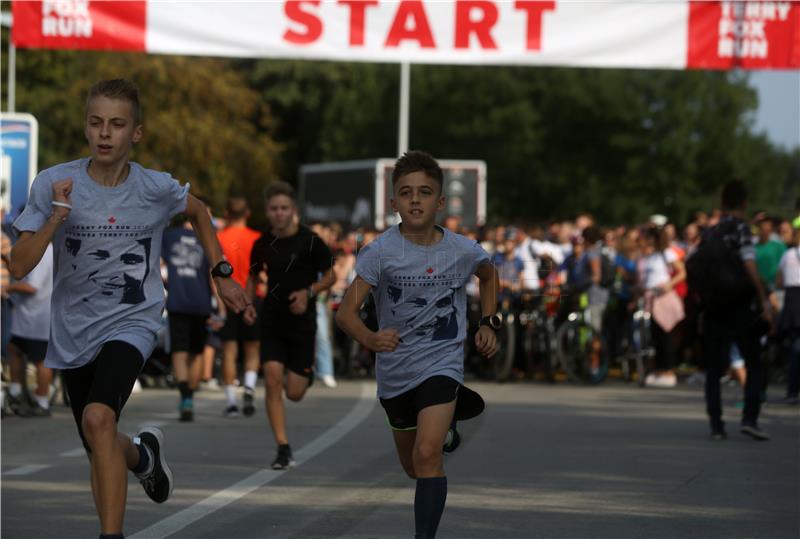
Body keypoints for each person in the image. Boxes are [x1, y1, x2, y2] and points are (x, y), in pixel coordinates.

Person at [9, 79, 251, 539]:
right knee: (98, 442)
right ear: (86, 127)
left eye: (117, 125)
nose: (105, 133)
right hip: (73, 327)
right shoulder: (53, 184)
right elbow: (19, 265)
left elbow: (198, 212)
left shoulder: (155, 188)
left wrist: (220, 272)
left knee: (99, 419)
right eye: (96, 123)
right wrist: (57, 216)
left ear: (135, 133)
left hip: (132, 320)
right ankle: (142, 456)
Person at [336, 151, 499, 539]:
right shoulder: (379, 253)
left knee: (428, 456)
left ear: (440, 202)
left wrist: (489, 322)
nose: (415, 200)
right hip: (395, 372)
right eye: (406, 193)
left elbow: (490, 276)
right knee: (413, 465)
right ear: (393, 202)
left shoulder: (462, 249)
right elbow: (345, 314)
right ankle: (447, 427)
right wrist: (371, 338)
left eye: (425, 192)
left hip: (442, 363)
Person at [245, 181, 336, 469]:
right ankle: (282, 447)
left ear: (293, 210)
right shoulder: (261, 243)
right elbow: (252, 277)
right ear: (268, 212)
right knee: (272, 379)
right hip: (272, 319)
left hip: (302, 322)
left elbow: (331, 276)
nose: (279, 213)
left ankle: (304, 375)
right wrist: (247, 305)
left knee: (294, 393)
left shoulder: (310, 240)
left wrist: (308, 292)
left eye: (284, 208)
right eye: (274, 209)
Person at [688, 180, 772, 441]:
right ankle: (750, 418)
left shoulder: (711, 233)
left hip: (713, 308)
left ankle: (716, 425)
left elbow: (696, 267)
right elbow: (749, 263)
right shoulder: (741, 229)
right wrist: (763, 299)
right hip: (740, 306)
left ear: (722, 202)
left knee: (714, 368)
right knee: (754, 362)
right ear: (744, 203)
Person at [161, 201, 222, 421]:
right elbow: (213, 275)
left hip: (177, 300)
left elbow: (158, 265)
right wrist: (221, 305)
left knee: (179, 349)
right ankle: (189, 398)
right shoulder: (209, 239)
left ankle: (184, 393)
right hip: (200, 302)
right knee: (197, 351)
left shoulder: (168, 236)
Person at [217, 196, 262, 417]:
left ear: (227, 213)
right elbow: (257, 274)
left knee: (229, 351)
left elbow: (212, 273)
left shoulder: (218, 238)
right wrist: (250, 302)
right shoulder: (257, 238)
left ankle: (231, 402)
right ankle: (250, 388)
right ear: (248, 213)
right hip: (250, 298)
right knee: (252, 348)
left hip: (227, 300)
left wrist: (219, 303)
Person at [6, 242, 54, 417]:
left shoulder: (43, 252)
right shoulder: (41, 249)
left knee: (41, 360)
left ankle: (42, 401)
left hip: (39, 317)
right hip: (27, 315)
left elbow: (32, 286)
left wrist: (6, 288)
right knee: (14, 348)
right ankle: (16, 389)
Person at [636, 226, 686, 388]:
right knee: (655, 336)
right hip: (651, 298)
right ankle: (658, 370)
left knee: (665, 336)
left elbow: (681, 272)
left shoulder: (667, 253)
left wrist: (669, 285)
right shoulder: (650, 255)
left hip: (663, 297)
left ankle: (668, 371)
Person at [775, 225, 800, 404]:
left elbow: (778, 281)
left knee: (795, 349)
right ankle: (792, 390)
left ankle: (792, 390)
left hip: (792, 302)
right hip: (794, 301)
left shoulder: (787, 254)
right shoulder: (788, 254)